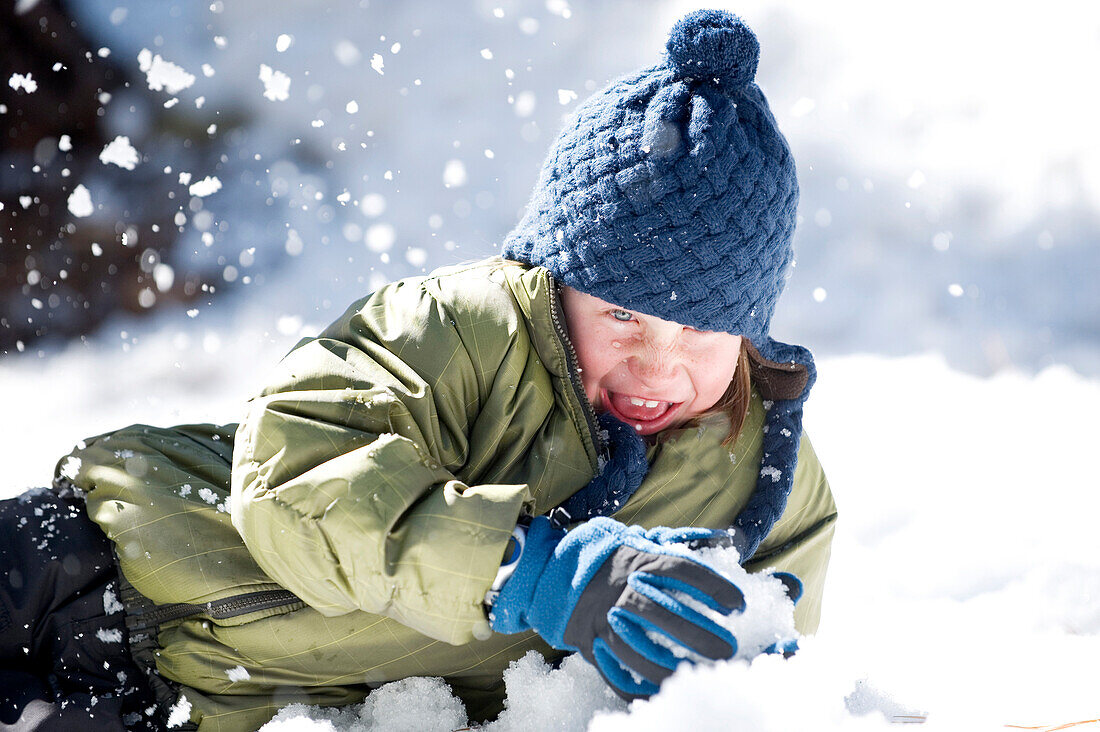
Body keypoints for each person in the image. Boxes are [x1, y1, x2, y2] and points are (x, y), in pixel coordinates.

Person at [0, 9, 837, 731]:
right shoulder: (467, 330)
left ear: (751, 331)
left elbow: (751, 683)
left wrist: (735, 665)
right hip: (92, 561)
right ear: (553, 279)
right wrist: (529, 571)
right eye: (620, 313)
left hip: (200, 706)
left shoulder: (766, 490)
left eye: (700, 327)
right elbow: (296, 477)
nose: (657, 360)